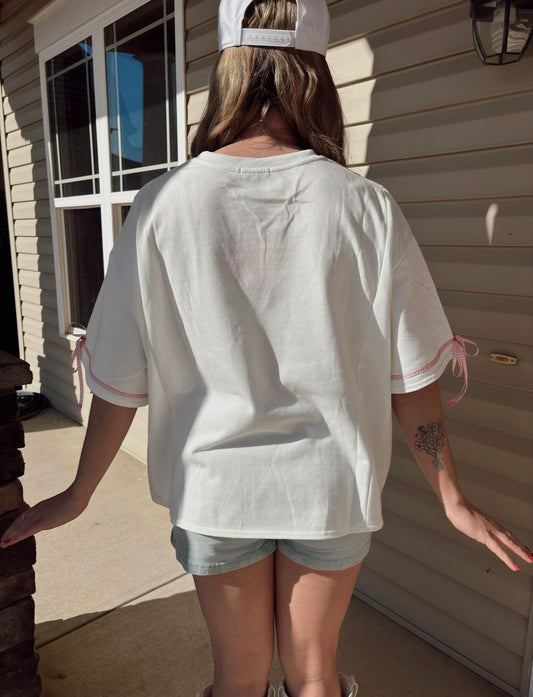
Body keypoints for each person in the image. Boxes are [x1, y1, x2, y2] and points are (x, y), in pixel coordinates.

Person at [2, 1, 532, 696]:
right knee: (313, 676)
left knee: (239, 677)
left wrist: (81, 491)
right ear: (315, 74)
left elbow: (121, 379)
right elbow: (409, 373)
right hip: (331, 489)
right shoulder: (364, 205)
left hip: (214, 491)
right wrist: (451, 496)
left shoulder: (162, 204)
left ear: (228, 68)